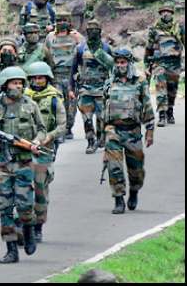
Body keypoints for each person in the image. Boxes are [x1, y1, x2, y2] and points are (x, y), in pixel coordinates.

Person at [0, 66, 45, 264]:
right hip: (1, 165)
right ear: (5, 85)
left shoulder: (31, 106)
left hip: (23, 163)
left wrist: (37, 142)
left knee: (25, 207)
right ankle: (11, 250)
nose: (18, 86)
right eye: (14, 82)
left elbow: (41, 129)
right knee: (4, 208)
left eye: (20, 83)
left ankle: (28, 229)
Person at [103, 48, 154, 214]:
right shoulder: (110, 82)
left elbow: (146, 104)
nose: (120, 65)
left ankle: (134, 191)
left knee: (136, 170)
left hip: (133, 131)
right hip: (113, 130)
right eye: (117, 62)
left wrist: (150, 130)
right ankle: (118, 199)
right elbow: (104, 107)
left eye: (123, 62)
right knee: (114, 167)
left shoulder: (139, 81)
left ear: (129, 63)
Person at [24, 62, 66, 243]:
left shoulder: (54, 98)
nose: (37, 81)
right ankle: (24, 224)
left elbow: (62, 125)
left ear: (47, 79)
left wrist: (48, 137)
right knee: (22, 188)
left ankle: (38, 225)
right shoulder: (24, 97)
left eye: (40, 78)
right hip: (23, 149)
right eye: (34, 78)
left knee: (40, 188)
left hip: (44, 150)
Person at [74, 19, 114, 153]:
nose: (92, 32)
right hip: (85, 88)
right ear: (86, 32)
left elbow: (113, 68)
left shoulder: (106, 48)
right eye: (90, 30)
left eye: (95, 30)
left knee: (102, 118)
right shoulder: (80, 48)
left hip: (102, 88)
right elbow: (74, 69)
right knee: (87, 118)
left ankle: (101, 138)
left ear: (100, 31)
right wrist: (71, 88)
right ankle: (90, 142)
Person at [45, 15, 85, 140]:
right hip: (56, 74)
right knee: (58, 103)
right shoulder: (50, 37)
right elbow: (45, 53)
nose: (62, 22)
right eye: (59, 20)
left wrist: (80, 39)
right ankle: (60, 130)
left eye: (64, 20)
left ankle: (68, 128)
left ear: (69, 22)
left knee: (71, 105)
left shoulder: (75, 36)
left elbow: (86, 50)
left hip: (71, 76)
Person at [145, 3, 185, 127]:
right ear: (160, 14)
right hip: (159, 63)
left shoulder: (179, 28)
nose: (165, 13)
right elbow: (149, 48)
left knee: (172, 90)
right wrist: (147, 65)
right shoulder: (154, 29)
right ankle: (161, 115)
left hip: (174, 64)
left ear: (172, 14)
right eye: (163, 12)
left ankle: (170, 112)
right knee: (161, 88)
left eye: (168, 11)